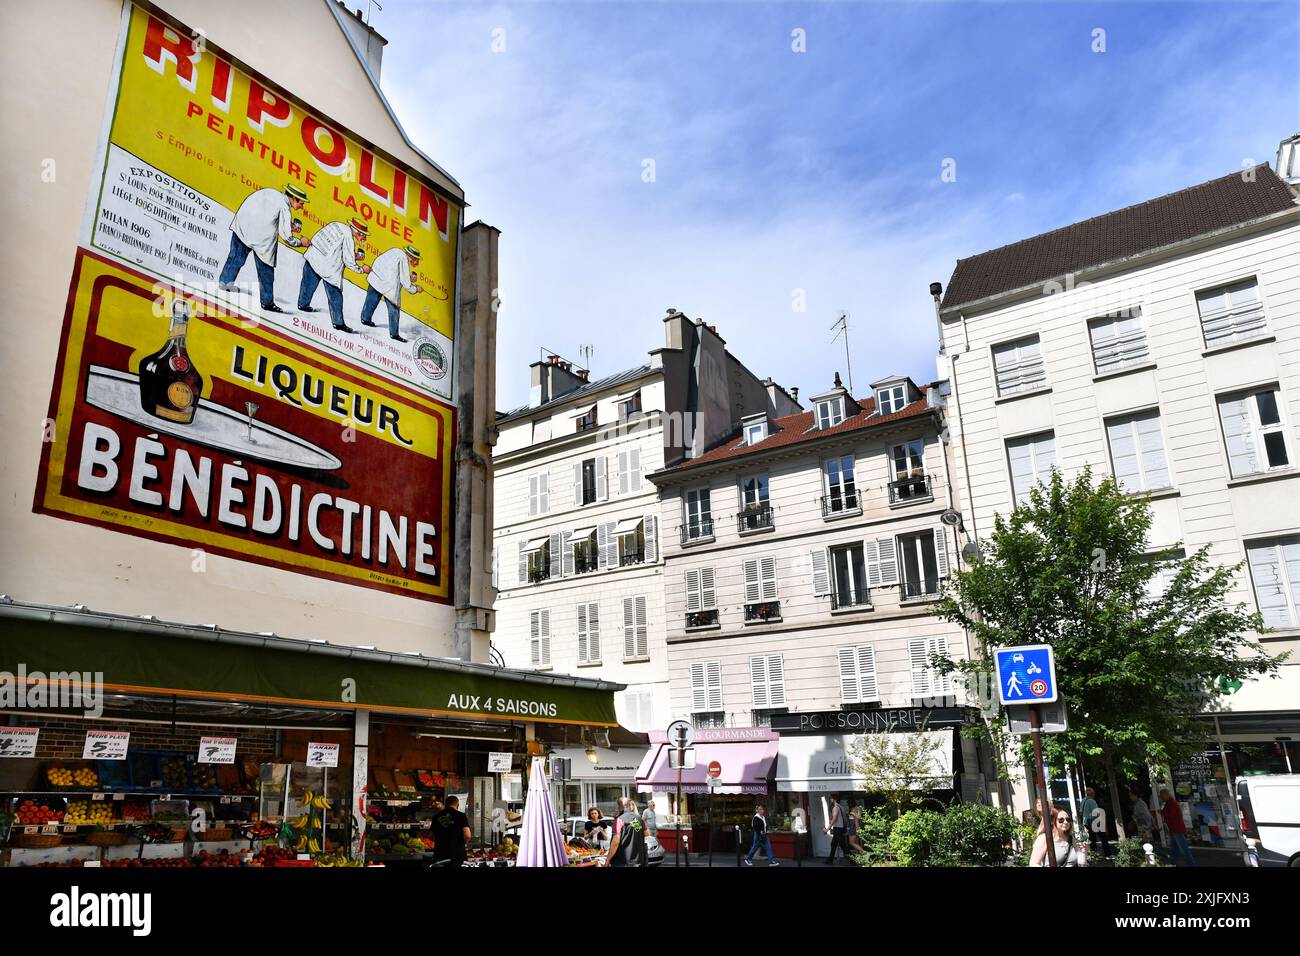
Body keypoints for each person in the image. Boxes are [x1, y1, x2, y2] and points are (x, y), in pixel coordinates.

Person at [219, 184, 308, 312]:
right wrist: (301, 242)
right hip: (261, 239)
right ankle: (267, 303)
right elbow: (287, 237)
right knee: (266, 273)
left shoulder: (271, 192)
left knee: (236, 258)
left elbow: (266, 214)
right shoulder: (284, 208)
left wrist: (287, 225)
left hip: (242, 227)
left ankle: (224, 283)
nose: (302, 207)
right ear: (293, 198)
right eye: (301, 203)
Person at [298, 218, 370, 331]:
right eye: (364, 235)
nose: (364, 238)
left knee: (307, 284)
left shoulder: (335, 223)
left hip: (313, 257)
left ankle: (302, 304)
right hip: (328, 268)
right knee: (336, 297)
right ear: (358, 232)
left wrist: (352, 255)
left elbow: (325, 242)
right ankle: (338, 323)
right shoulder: (348, 237)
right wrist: (362, 270)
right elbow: (349, 262)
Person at [361, 245, 423, 341]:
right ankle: (394, 334)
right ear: (412, 258)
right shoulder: (404, 260)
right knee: (394, 309)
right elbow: (406, 285)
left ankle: (365, 319)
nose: (417, 263)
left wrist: (408, 278)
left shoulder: (396, 250)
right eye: (417, 260)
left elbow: (393, 270)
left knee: (371, 299)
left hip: (376, 277)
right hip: (388, 285)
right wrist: (416, 289)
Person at [1158, 788, 1196, 867]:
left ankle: (1191, 864)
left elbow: (1171, 816)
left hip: (1176, 829)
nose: (1161, 798)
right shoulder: (1169, 803)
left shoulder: (1172, 803)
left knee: (1183, 849)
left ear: (1166, 795)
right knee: (1174, 848)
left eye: (1162, 796)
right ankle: (1172, 862)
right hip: (1174, 829)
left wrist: (1162, 812)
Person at [430, 794, 471, 866]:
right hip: (457, 855)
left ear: (445, 805)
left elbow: (431, 836)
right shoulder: (461, 815)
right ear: (457, 805)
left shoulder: (436, 816)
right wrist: (461, 844)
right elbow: (467, 835)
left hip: (440, 854)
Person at [606, 797, 646, 868]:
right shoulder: (636, 818)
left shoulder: (619, 820)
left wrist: (608, 859)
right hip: (636, 860)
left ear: (619, 806)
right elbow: (647, 833)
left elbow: (615, 842)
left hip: (622, 861)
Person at [825, 795, 848, 864]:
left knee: (844, 847)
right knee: (833, 844)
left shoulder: (835, 808)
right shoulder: (841, 807)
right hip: (840, 828)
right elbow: (843, 818)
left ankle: (854, 861)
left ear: (834, 799)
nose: (830, 800)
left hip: (838, 829)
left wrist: (827, 829)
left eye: (831, 798)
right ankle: (830, 860)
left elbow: (835, 818)